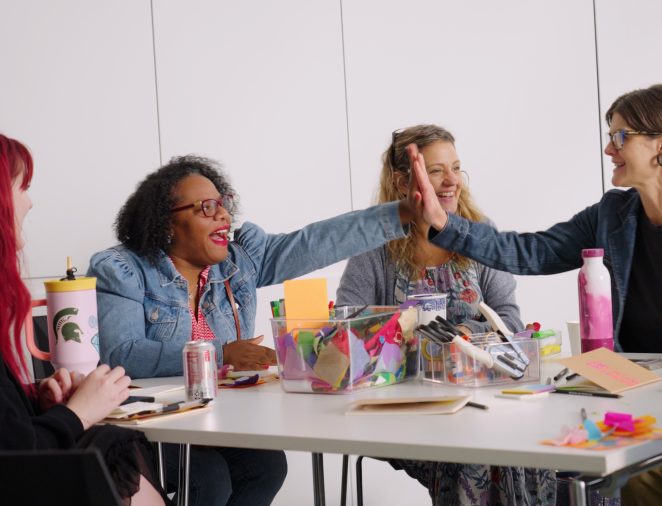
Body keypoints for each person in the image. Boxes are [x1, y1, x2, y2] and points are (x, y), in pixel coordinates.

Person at [410, 85, 662, 505]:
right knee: (630, 479)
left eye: (621, 137)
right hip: (647, 413)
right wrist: (444, 223)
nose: (609, 148)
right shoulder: (611, 216)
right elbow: (529, 250)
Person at [87, 155, 421, 506]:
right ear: (167, 223)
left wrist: (401, 212)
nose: (223, 216)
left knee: (268, 465)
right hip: (146, 429)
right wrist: (221, 353)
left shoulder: (239, 262)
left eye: (224, 204)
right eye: (206, 207)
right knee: (209, 477)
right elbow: (120, 354)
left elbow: (315, 242)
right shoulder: (122, 270)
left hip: (211, 420)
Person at [337, 124, 555, 506]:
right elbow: (346, 326)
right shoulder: (375, 245)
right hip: (407, 410)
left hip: (480, 397)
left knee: (528, 445)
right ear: (401, 179)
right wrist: (394, 334)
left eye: (456, 168)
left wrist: (462, 336)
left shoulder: (478, 233)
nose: (451, 181)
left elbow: (509, 318)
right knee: (470, 453)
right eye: (436, 170)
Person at [0, 133, 169, 505]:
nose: (30, 200)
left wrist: (36, 404)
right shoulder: (120, 269)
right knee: (110, 446)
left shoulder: (231, 270)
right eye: (21, 185)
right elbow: (15, 462)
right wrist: (76, 413)